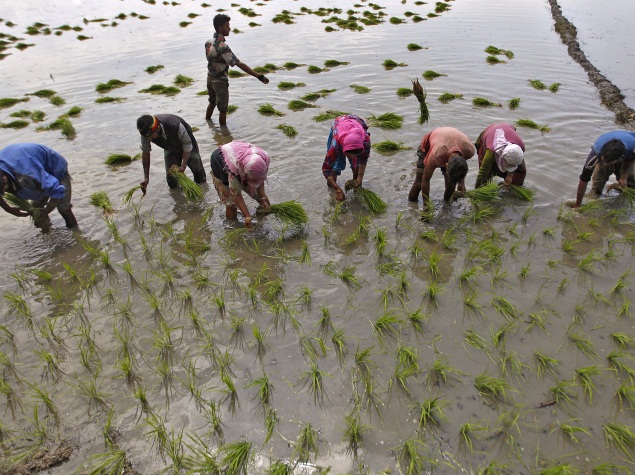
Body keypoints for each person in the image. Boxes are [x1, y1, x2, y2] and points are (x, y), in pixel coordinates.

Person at [205, 14, 269, 125]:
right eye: (227, 26)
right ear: (220, 28)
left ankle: (208, 122)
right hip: (220, 81)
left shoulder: (208, 42)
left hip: (210, 78)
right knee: (223, 110)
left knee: (212, 102)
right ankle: (224, 134)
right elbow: (239, 64)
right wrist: (259, 76)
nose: (229, 28)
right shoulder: (222, 46)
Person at [0, 143, 77, 231]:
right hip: (27, 162)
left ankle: (76, 235)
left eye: (5, 189)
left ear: (5, 178)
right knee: (36, 207)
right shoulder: (5, 175)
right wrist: (8, 209)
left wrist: (45, 212)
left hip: (54, 167)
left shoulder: (28, 175)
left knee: (63, 208)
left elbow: (58, 192)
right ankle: (47, 232)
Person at [136, 114, 207, 194]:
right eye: (147, 137)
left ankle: (202, 195)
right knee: (172, 180)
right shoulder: (146, 133)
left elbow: (187, 145)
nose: (149, 139)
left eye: (151, 137)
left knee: (199, 174)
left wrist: (183, 166)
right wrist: (146, 178)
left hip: (188, 144)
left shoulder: (176, 125)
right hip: (169, 147)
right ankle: (179, 200)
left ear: (158, 128)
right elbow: (146, 152)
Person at [408, 127, 475, 209]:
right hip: (430, 146)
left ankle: (446, 207)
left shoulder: (470, 151)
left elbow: (461, 166)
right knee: (419, 182)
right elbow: (425, 180)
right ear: (446, 166)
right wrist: (426, 206)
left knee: (451, 185)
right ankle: (411, 207)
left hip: (452, 141)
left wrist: (461, 185)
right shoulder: (436, 155)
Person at [210, 141, 270, 231]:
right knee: (231, 203)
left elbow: (260, 180)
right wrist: (247, 216)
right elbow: (236, 194)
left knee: (261, 198)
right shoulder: (234, 172)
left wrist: (262, 198)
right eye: (250, 179)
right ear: (245, 173)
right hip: (220, 164)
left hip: (244, 162)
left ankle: (262, 220)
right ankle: (232, 228)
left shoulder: (264, 160)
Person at [573, 130, 635, 208]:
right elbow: (584, 179)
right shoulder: (595, 155)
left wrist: (624, 177)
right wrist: (578, 204)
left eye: (609, 163)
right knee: (597, 188)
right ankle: (595, 202)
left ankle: (624, 204)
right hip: (605, 155)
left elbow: (631, 159)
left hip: (625, 152)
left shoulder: (631, 147)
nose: (606, 164)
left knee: (630, 185)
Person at [322, 114, 371, 202]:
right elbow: (326, 169)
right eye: (349, 154)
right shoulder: (336, 144)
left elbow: (363, 160)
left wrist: (359, 179)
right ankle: (333, 190)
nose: (351, 157)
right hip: (340, 123)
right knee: (335, 166)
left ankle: (355, 186)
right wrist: (338, 190)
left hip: (356, 122)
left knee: (356, 165)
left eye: (355, 154)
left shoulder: (365, 142)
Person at [474, 122, 526, 188]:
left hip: (507, 129)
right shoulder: (490, 152)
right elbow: (482, 174)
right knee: (486, 175)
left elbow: (516, 165)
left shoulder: (520, 149)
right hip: (490, 133)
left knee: (520, 172)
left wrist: (510, 176)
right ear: (503, 156)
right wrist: (477, 191)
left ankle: (512, 188)